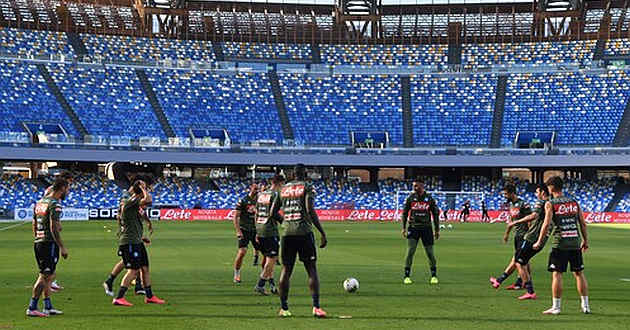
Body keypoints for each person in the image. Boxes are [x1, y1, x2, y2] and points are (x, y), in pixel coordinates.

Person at [275, 164, 328, 318]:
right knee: (311, 269)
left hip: (287, 234)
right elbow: (310, 209)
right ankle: (316, 307)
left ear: (292, 174)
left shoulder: (283, 189)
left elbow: (273, 212)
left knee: (286, 270)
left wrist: (284, 222)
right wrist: (322, 232)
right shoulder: (307, 187)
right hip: (304, 232)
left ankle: (284, 308)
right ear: (305, 174)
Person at [533, 176, 590, 315]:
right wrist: (585, 240)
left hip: (560, 243)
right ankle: (586, 305)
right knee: (579, 273)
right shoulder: (574, 202)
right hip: (575, 242)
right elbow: (582, 223)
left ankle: (556, 307)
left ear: (551, 187)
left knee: (557, 274)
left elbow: (546, 224)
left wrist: (539, 241)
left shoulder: (551, 203)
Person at [112, 180, 164, 306]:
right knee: (133, 270)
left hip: (136, 241)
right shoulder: (131, 201)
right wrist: (143, 189)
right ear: (139, 190)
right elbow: (149, 200)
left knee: (145, 268)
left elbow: (140, 214)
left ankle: (149, 296)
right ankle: (119, 297)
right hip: (130, 242)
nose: (146, 189)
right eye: (144, 187)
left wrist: (142, 237)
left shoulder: (134, 203)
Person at [26, 179, 69, 317]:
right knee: (44, 276)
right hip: (49, 243)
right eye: (67, 189)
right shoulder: (54, 204)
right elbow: (53, 227)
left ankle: (48, 306)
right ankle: (32, 307)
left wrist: (37, 237)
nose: (68, 192)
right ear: (62, 188)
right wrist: (62, 246)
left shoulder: (40, 202)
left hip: (39, 242)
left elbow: (34, 223)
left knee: (49, 276)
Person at [103, 185, 153, 296]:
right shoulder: (129, 200)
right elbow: (124, 216)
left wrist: (147, 223)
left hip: (134, 237)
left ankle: (139, 287)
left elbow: (140, 213)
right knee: (132, 266)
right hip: (129, 238)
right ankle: (119, 291)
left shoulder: (133, 201)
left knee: (135, 264)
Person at [507, 184, 550, 300]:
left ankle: (530, 291)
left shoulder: (541, 203)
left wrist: (516, 222)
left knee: (519, 261)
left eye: (537, 192)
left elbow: (533, 215)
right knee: (523, 261)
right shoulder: (551, 203)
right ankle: (521, 284)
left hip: (532, 237)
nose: (536, 194)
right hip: (543, 237)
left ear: (542, 192)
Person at [490, 183, 531, 290]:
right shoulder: (512, 205)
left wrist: (530, 235)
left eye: (506, 194)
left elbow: (530, 220)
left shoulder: (523, 204)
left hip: (524, 236)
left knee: (517, 261)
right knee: (524, 261)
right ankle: (518, 283)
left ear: (512, 193)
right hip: (517, 236)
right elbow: (512, 221)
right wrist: (507, 234)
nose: (504, 196)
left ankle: (500, 280)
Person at [401, 178, 440, 285]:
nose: (414, 188)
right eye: (414, 186)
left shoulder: (430, 199)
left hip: (426, 228)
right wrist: (404, 228)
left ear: (422, 186)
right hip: (413, 227)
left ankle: (434, 276)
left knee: (430, 253)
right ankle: (407, 276)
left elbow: (435, 215)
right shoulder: (411, 198)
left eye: (416, 186)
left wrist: (437, 230)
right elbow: (404, 213)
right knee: (410, 252)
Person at [253, 175, 285, 295]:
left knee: (268, 258)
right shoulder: (275, 195)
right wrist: (284, 222)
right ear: (280, 183)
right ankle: (260, 285)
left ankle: (272, 285)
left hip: (260, 229)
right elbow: (274, 213)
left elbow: (256, 213)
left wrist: (256, 229)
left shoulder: (261, 194)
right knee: (272, 259)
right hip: (269, 230)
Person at [43, 171, 73, 293]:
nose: (70, 185)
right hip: (48, 230)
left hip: (49, 223)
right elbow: (48, 206)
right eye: (69, 181)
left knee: (50, 260)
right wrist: (56, 223)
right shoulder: (51, 191)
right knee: (49, 259)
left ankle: (50, 282)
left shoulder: (55, 193)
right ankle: (48, 284)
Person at [232, 183, 259, 283]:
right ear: (250, 188)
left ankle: (266, 276)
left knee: (266, 253)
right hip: (244, 230)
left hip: (256, 230)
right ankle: (237, 274)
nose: (256, 190)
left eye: (257, 189)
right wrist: (238, 231)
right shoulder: (243, 200)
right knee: (242, 252)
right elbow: (236, 216)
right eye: (255, 189)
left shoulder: (259, 201)